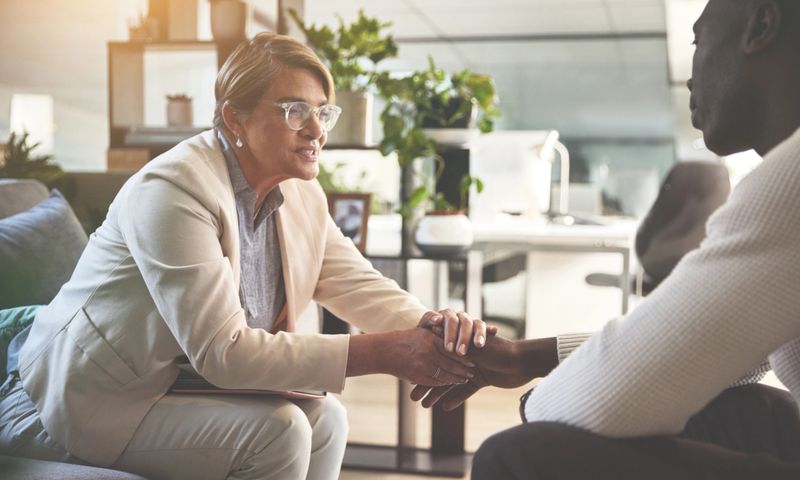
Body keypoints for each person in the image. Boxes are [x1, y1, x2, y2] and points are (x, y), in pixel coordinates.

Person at [0, 33, 491, 480]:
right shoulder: (172, 191)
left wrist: (433, 327)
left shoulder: (300, 194)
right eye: (296, 110)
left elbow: (355, 283)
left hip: (182, 383)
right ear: (235, 116)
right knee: (279, 430)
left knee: (326, 420)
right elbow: (224, 352)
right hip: (91, 397)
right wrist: (387, 353)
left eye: (323, 113)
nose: (316, 131)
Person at [413, 0, 800, 478]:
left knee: (516, 455)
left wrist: (545, 391)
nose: (691, 80)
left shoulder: (792, 181)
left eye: (699, 41)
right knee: (748, 408)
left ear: (760, 26)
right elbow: (726, 351)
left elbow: (589, 401)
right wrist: (525, 356)